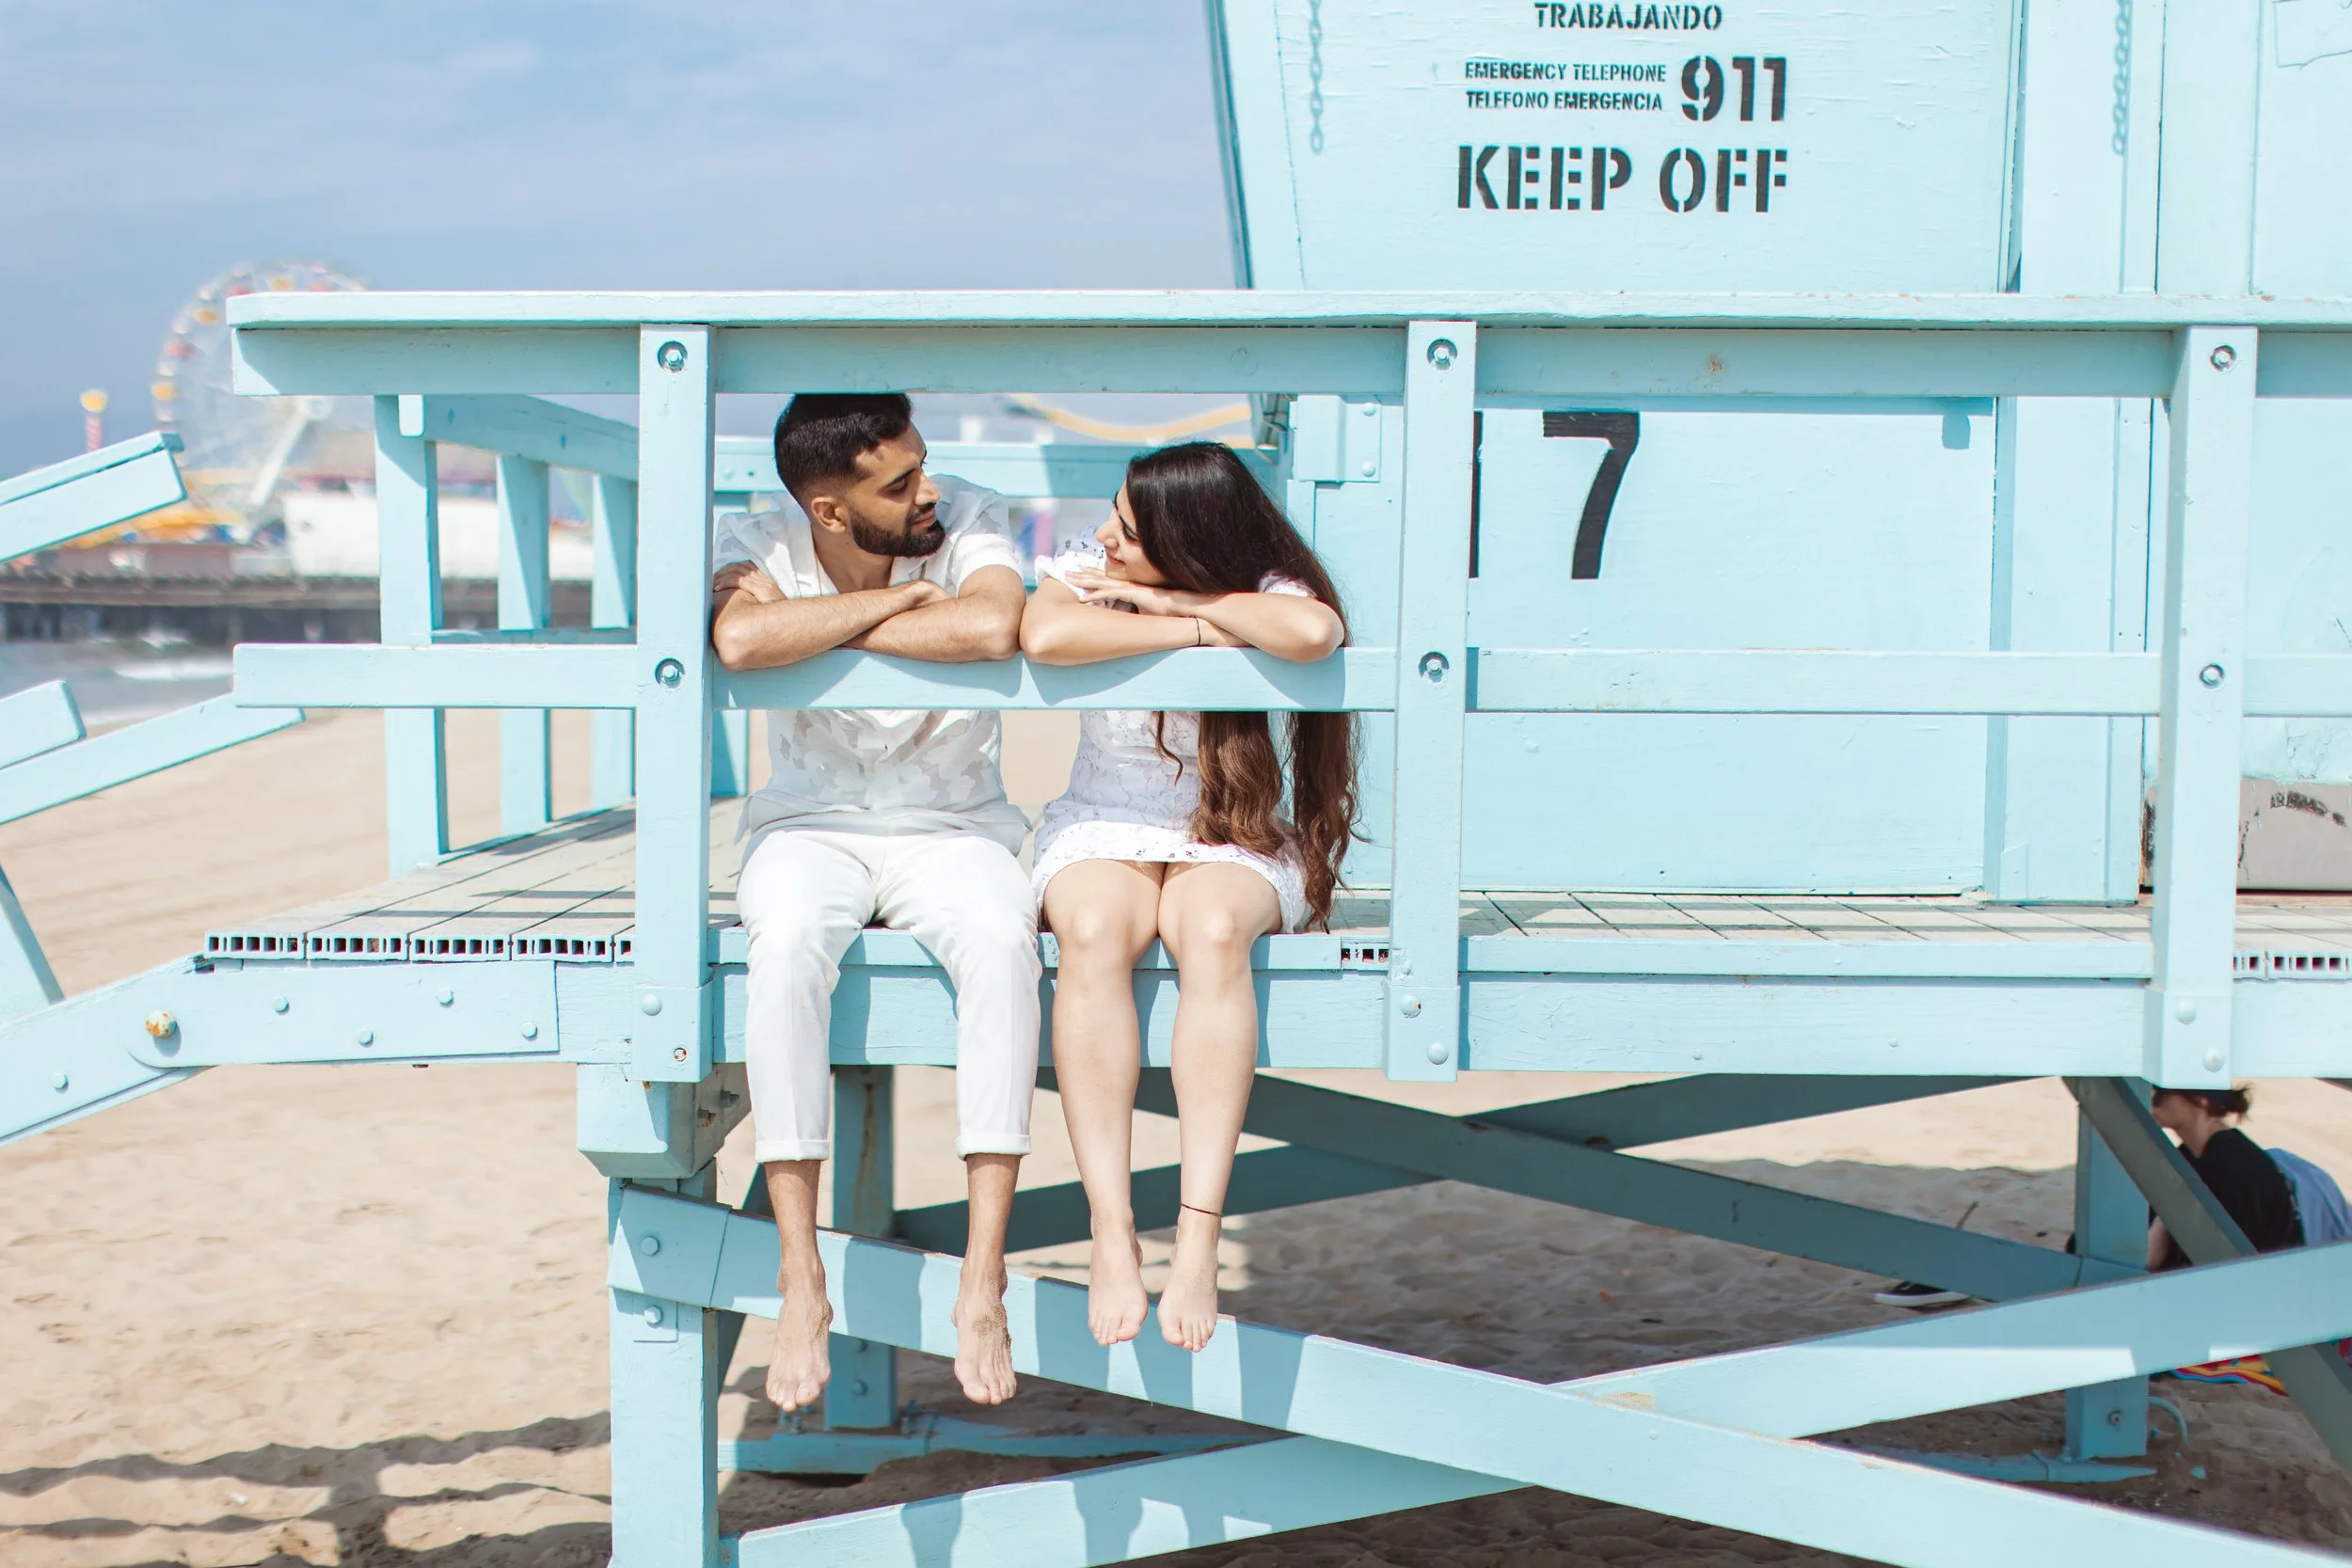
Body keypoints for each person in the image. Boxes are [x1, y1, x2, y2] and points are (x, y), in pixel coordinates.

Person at [708, 393, 1037, 1413]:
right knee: (788, 942)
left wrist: (834, 627)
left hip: (957, 823)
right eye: (898, 484)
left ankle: (983, 1276)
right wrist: (899, 606)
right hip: (809, 819)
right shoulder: (756, 538)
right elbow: (741, 642)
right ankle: (800, 1275)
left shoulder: (969, 514)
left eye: (921, 464)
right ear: (830, 510)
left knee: (1001, 942)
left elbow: (989, 625)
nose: (927, 490)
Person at [1019, 441, 1356, 1353]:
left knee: (1207, 930)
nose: (1104, 537)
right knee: (1092, 930)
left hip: (1227, 828)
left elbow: (1314, 634)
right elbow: (1046, 634)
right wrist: (1199, 631)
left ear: (1187, 536)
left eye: (1129, 528)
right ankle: (1113, 1230)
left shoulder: (1268, 587)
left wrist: (1177, 603)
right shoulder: (1083, 577)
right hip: (1103, 819)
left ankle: (1198, 1234)